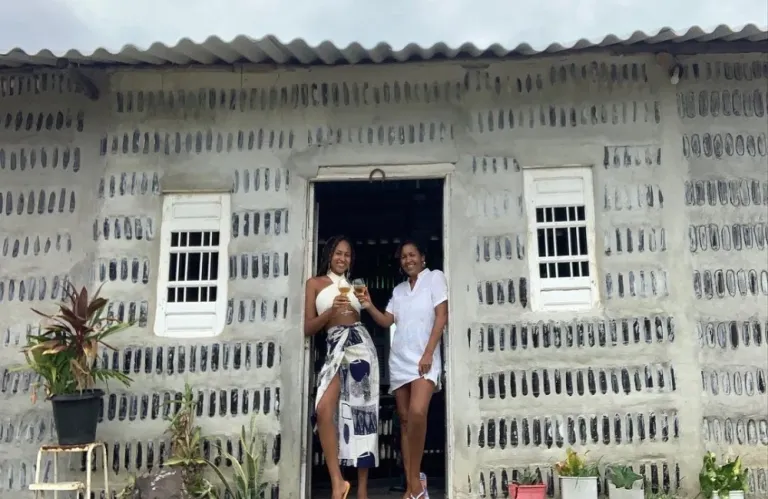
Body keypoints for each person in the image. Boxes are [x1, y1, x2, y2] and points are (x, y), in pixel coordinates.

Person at [356, 239, 448, 499]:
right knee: (406, 422)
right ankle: (412, 487)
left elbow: (442, 316)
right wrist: (368, 304)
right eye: (403, 257)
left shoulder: (435, 279)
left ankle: (416, 482)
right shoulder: (397, 291)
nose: (408, 260)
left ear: (422, 258)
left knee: (418, 413)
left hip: (424, 360)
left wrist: (429, 352)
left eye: (412, 255)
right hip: (400, 361)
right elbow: (387, 321)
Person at [304, 235, 379, 499]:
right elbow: (308, 328)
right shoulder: (315, 284)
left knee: (363, 416)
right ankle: (338, 482)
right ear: (329, 254)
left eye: (347, 254)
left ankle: (363, 491)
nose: (342, 258)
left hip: (361, 345)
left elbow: (370, 315)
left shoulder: (355, 286)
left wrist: (367, 303)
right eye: (338, 253)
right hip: (334, 343)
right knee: (324, 409)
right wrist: (329, 311)